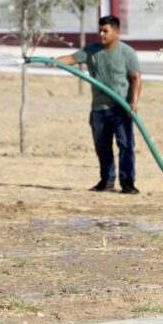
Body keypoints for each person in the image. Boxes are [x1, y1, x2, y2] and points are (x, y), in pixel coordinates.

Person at [54, 15, 142, 194]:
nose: (101, 34)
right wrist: (53, 61)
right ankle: (106, 181)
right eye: (100, 30)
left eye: (105, 31)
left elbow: (136, 78)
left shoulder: (127, 52)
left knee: (126, 146)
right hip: (99, 110)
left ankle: (127, 183)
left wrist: (133, 102)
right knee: (102, 147)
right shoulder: (91, 51)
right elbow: (71, 59)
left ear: (116, 32)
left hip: (121, 108)